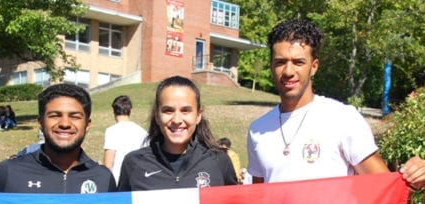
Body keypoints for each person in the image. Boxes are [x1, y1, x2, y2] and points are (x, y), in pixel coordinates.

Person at [247, 19, 390, 184]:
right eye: (280, 62)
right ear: (271, 66)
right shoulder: (257, 130)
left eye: (298, 62)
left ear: (314, 67)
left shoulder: (343, 118)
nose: (288, 71)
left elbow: (384, 185)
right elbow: (259, 198)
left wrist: (414, 178)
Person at [0, 83, 116, 193]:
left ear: (87, 125)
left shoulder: (104, 178)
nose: (65, 123)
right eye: (55, 115)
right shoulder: (7, 173)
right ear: (40, 123)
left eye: (74, 116)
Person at [117, 75, 238, 191]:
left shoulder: (219, 161)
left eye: (186, 111)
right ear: (157, 116)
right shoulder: (133, 163)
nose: (177, 120)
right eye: (168, 111)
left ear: (198, 115)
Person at [103, 95, 147, 183]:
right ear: (131, 110)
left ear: (113, 111)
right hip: (138, 180)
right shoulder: (143, 132)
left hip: (117, 182)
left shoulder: (111, 131)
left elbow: (108, 164)